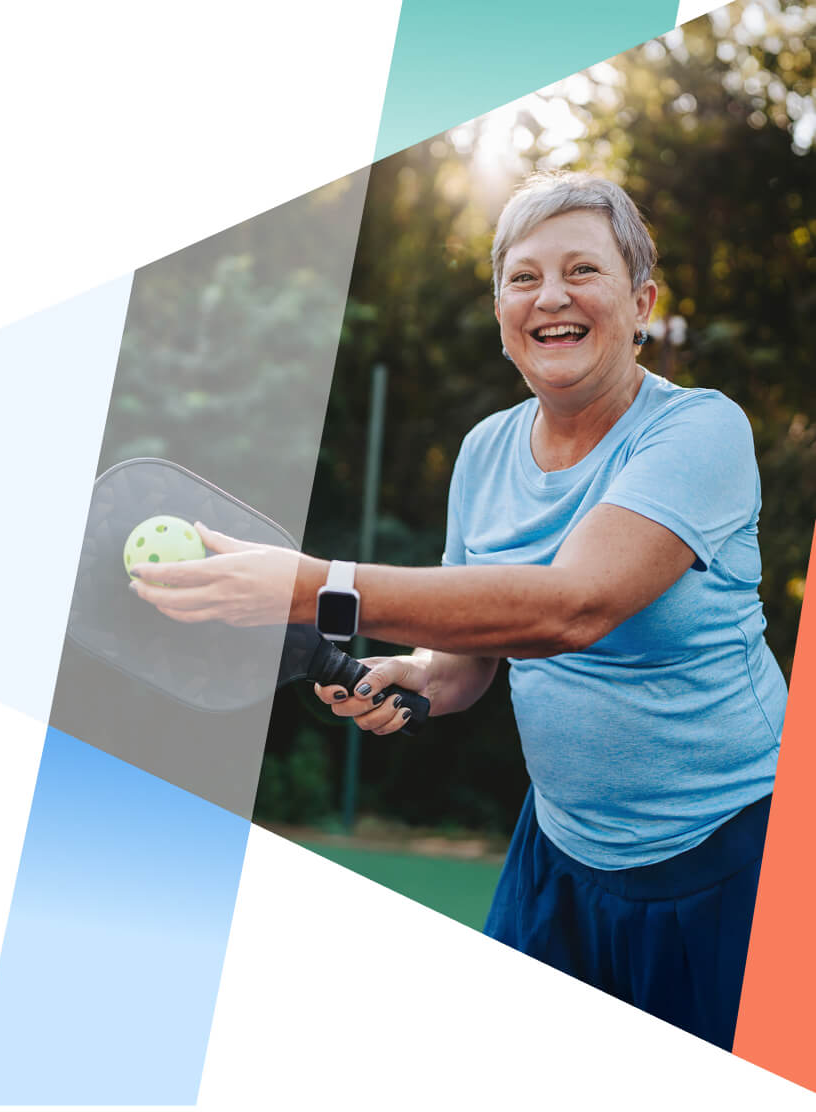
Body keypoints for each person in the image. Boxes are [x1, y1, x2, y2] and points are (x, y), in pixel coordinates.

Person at [127, 171, 786, 1050]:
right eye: (524, 277)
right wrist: (418, 678)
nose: (551, 295)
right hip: (558, 852)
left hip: (736, 853)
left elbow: (571, 608)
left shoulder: (701, 432)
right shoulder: (482, 453)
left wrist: (312, 587)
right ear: (505, 317)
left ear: (641, 303)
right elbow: (478, 652)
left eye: (582, 270)